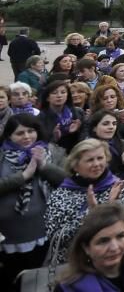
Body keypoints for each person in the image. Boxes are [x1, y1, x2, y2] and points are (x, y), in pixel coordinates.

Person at [44, 138, 124, 264]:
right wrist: (92, 213)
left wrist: (114, 205)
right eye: (90, 160)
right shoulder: (62, 195)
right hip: (78, 264)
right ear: (75, 165)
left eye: (100, 158)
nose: (96, 164)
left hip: (116, 258)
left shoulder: (114, 185)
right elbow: (56, 237)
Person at [0, 113, 66, 290]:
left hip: (43, 232)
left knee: (37, 280)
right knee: (12, 279)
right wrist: (24, 175)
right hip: (9, 236)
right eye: (20, 133)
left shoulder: (52, 151)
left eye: (31, 131)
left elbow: (67, 181)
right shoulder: (2, 155)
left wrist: (44, 166)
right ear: (9, 136)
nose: (27, 136)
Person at [54, 203, 124, 292]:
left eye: (121, 236)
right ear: (86, 248)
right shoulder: (69, 288)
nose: (114, 248)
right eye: (103, 241)